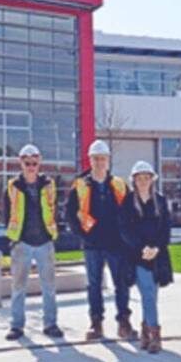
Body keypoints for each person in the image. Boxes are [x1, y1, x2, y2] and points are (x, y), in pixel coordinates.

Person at [66, 139, 136, 340]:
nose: (99, 162)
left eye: (102, 159)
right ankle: (96, 323)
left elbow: (130, 213)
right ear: (90, 160)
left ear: (108, 160)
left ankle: (124, 321)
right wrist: (83, 235)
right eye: (95, 159)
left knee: (121, 284)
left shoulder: (119, 185)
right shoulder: (80, 185)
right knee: (94, 284)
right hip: (92, 246)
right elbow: (70, 215)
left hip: (116, 245)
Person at [3, 144, 64, 341]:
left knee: (49, 286)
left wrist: (53, 232)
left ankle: (50, 324)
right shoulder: (13, 186)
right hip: (22, 243)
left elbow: (53, 208)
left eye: (34, 163)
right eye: (27, 163)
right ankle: (16, 326)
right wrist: (14, 239)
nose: (31, 166)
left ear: (39, 163)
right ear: (21, 163)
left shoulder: (48, 184)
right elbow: (7, 212)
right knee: (18, 287)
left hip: (44, 241)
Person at [118, 161, 173, 353]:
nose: (143, 182)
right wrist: (142, 248)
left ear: (152, 180)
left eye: (146, 178)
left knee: (151, 295)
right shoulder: (127, 202)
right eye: (139, 178)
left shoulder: (160, 200)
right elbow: (124, 230)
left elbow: (166, 229)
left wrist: (156, 247)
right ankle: (155, 335)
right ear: (133, 180)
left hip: (157, 256)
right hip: (137, 256)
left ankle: (145, 332)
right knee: (148, 293)